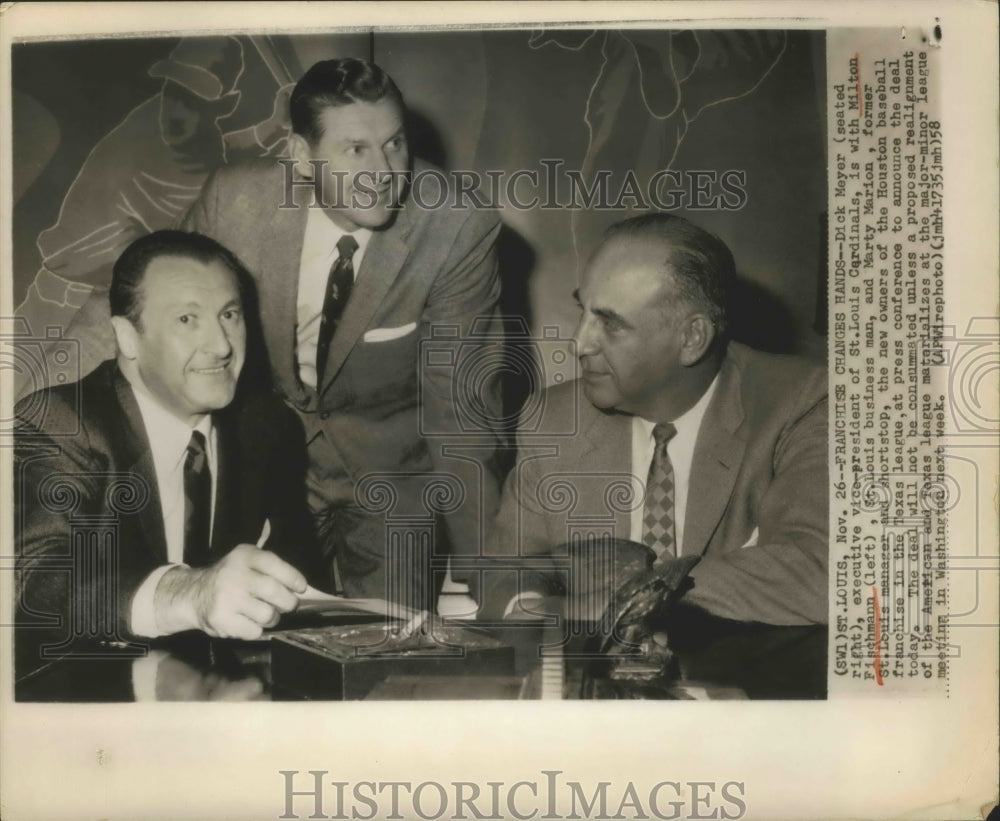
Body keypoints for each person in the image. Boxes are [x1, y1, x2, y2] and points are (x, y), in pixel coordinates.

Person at [181, 58, 504, 610]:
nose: (385, 171)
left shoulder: (456, 227)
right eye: (356, 150)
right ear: (301, 156)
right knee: (252, 652)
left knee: (391, 656)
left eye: (395, 144)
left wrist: (494, 581)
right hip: (265, 461)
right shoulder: (234, 205)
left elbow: (463, 415)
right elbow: (160, 309)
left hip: (394, 476)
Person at [485, 213, 828, 626]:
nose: (579, 343)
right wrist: (531, 604)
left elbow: (820, 573)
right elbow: (503, 570)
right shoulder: (553, 419)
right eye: (584, 311)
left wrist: (634, 596)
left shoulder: (801, 402)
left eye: (610, 323)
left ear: (691, 339)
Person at [14, 230, 323, 666]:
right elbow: (30, 584)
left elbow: (297, 567)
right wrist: (187, 593)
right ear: (128, 337)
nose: (221, 346)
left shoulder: (266, 425)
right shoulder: (60, 423)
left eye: (230, 315)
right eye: (187, 320)